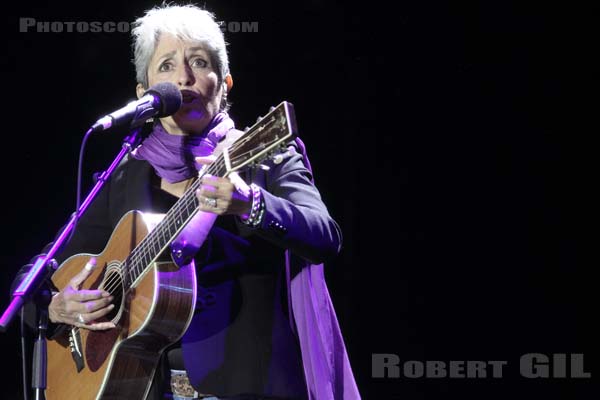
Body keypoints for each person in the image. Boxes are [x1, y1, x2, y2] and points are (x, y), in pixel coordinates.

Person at [12, 3, 359, 400]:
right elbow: (36, 276)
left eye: (199, 61)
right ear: (145, 94)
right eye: (166, 66)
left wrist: (251, 204)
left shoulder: (266, 156)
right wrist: (56, 306)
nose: (183, 77)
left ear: (224, 83)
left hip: (250, 386)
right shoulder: (124, 174)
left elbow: (325, 236)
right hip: (145, 387)